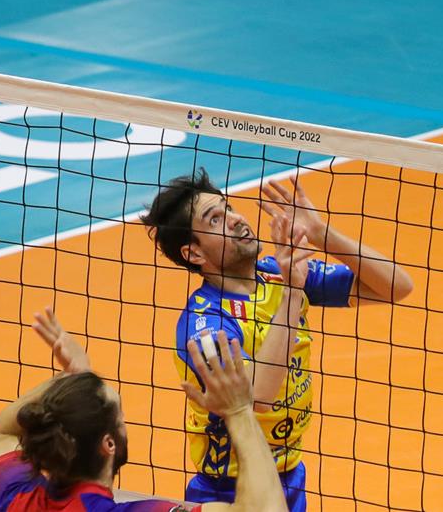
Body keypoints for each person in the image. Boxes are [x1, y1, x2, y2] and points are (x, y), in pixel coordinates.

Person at [143, 169, 414, 511]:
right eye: (215, 219)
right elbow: (256, 397)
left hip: (290, 475)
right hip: (231, 491)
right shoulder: (204, 325)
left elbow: (397, 286)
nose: (235, 219)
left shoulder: (275, 274)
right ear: (194, 254)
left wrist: (320, 234)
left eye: (228, 208)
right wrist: (293, 292)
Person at [0, 307, 285, 512]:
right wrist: (239, 410)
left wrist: (73, 381)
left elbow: (1, 433)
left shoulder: (18, 498)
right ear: (109, 444)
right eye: (120, 417)